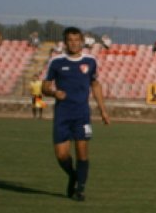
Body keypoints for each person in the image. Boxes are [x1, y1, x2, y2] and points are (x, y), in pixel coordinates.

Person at [42, 27, 110, 201]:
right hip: (62, 114)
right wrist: (53, 93)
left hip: (81, 114)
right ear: (65, 42)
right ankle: (73, 175)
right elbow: (45, 86)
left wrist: (103, 110)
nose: (73, 43)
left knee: (82, 151)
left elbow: (95, 85)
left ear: (82, 41)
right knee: (61, 155)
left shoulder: (90, 61)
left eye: (76, 40)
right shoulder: (56, 62)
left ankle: (80, 189)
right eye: (70, 40)